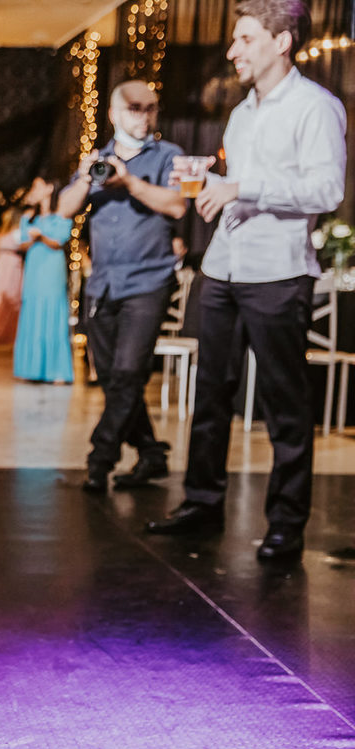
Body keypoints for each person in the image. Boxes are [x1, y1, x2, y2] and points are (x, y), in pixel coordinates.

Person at [146, 0, 346, 562]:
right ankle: (202, 503)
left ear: (282, 42)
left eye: (245, 39)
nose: (232, 50)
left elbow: (327, 190)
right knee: (210, 395)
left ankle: (286, 524)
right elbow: (239, 187)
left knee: (285, 405)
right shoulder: (241, 114)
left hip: (278, 273)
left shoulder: (316, 107)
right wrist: (213, 187)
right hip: (223, 267)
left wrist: (243, 188)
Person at [57, 81, 187, 493]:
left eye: (151, 108)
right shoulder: (98, 160)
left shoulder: (169, 155)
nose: (144, 116)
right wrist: (86, 178)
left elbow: (177, 205)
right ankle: (151, 452)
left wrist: (130, 183)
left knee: (129, 372)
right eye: (135, 108)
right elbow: (64, 209)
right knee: (116, 378)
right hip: (102, 285)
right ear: (114, 114)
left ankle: (100, 458)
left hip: (149, 281)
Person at [13, 177, 74, 384]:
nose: (34, 190)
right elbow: (22, 244)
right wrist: (31, 239)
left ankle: (57, 371)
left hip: (52, 269)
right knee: (33, 312)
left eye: (37, 186)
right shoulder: (29, 217)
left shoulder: (61, 214)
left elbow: (58, 242)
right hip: (34, 268)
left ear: (49, 188)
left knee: (53, 312)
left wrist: (41, 236)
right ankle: (32, 369)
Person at [0, 205, 27, 346]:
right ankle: (5, 334)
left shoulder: (5, 234)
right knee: (7, 297)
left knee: (7, 297)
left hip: (7, 267)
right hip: (7, 267)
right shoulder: (14, 233)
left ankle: (5, 333)